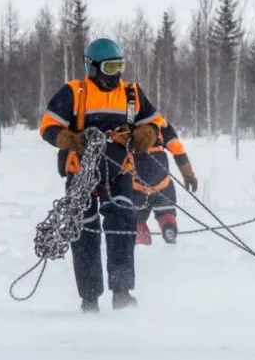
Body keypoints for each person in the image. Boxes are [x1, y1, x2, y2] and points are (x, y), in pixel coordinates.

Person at [38, 37, 161, 313]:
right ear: (93, 68)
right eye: (109, 68)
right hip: (81, 173)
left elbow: (154, 122)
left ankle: (122, 291)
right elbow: (48, 126)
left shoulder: (132, 93)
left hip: (119, 171)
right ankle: (89, 298)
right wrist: (70, 139)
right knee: (84, 230)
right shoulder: (74, 92)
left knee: (122, 224)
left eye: (119, 66)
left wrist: (147, 134)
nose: (115, 74)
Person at [133, 114, 198, 245]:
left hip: (135, 178)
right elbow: (177, 148)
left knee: (135, 216)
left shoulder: (124, 121)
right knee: (165, 205)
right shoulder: (159, 121)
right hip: (160, 174)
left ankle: (139, 236)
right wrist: (188, 173)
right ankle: (167, 223)